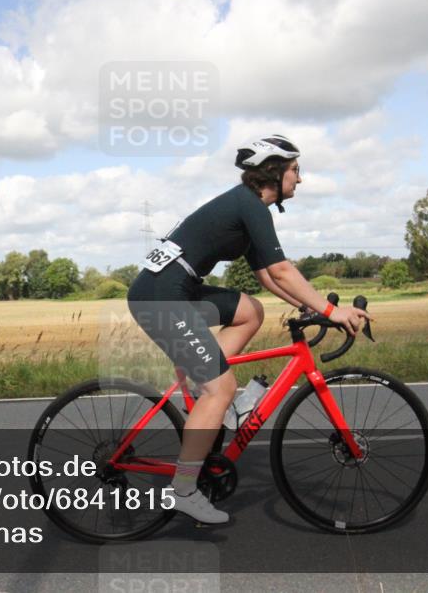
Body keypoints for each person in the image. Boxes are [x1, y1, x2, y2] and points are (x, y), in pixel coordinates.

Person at [126, 134, 372, 524]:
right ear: (274, 172)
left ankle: (207, 393)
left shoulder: (248, 206)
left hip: (175, 288)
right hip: (162, 295)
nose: (300, 180)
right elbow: (282, 270)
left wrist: (312, 310)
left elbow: (269, 279)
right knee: (220, 388)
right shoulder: (250, 206)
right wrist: (330, 310)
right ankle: (183, 489)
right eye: (295, 170)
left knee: (250, 311)